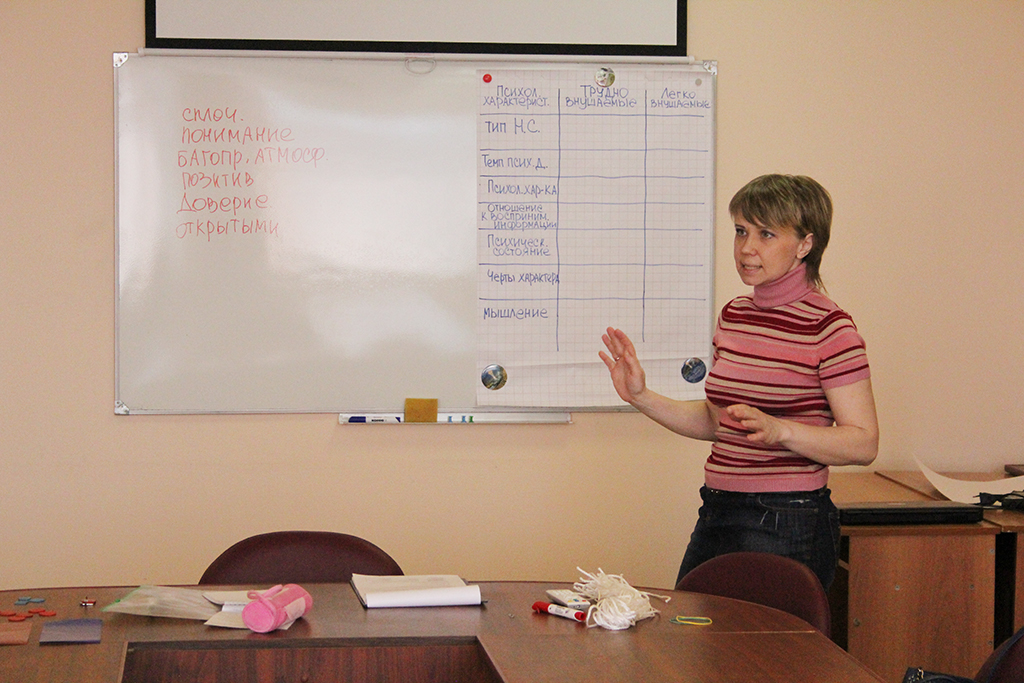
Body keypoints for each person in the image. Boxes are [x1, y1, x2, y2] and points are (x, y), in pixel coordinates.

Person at [599, 174, 878, 590]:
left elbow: (864, 443)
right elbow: (718, 423)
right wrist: (641, 397)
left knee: (760, 638)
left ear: (805, 244)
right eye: (741, 231)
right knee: (688, 629)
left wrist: (781, 431)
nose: (747, 248)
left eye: (767, 234)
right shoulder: (734, 316)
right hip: (717, 507)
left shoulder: (830, 327)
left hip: (789, 517)